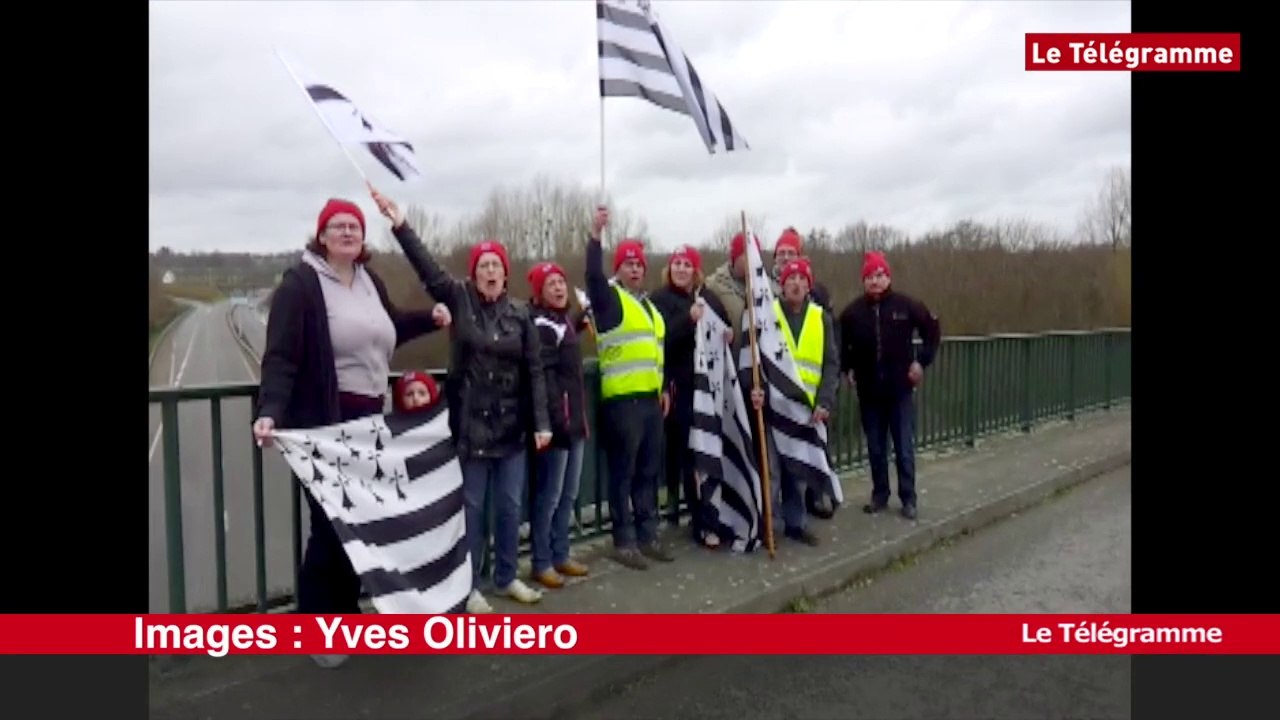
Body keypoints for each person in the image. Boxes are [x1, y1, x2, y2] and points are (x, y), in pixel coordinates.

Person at [252, 197, 451, 668]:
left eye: (354, 226)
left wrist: (431, 318)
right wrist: (270, 411)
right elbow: (280, 356)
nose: (347, 232)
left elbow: (390, 330)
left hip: (369, 425)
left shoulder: (368, 282)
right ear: (321, 236)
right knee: (330, 527)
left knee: (358, 527)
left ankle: (345, 617)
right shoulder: (300, 285)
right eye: (338, 226)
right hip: (324, 422)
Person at [369, 184, 552, 611]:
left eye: (496, 265)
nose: (490, 271)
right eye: (483, 265)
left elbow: (536, 371)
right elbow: (428, 270)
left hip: (510, 429)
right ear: (475, 273)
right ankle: (467, 586)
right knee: (469, 511)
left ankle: (506, 577)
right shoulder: (459, 298)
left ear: (506, 274)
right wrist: (401, 225)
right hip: (470, 428)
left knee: (508, 509)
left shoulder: (521, 314)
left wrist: (542, 422)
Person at [584, 206, 674, 570]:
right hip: (622, 403)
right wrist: (595, 236)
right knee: (623, 474)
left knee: (648, 472)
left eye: (639, 264)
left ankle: (647, 534)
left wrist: (664, 386)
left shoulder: (650, 308)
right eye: (628, 264)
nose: (635, 269)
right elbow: (591, 276)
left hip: (651, 402)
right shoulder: (610, 300)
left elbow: (655, 353)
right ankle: (624, 540)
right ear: (619, 268)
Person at [837, 251, 941, 520]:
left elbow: (932, 330)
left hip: (900, 390)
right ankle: (879, 495)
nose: (875, 281)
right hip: (869, 392)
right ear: (863, 280)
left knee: (904, 448)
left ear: (888, 277)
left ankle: (909, 497)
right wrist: (846, 368)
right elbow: (841, 345)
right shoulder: (852, 313)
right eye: (870, 276)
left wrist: (921, 362)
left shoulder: (906, 306)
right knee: (875, 448)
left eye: (879, 275)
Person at [648, 244, 732, 548]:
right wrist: (689, 320)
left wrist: (726, 334)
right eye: (677, 263)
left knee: (708, 453)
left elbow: (721, 329)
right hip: (680, 389)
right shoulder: (659, 300)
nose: (681, 269)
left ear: (695, 270)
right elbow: (662, 341)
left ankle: (711, 516)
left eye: (687, 264)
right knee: (690, 455)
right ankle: (697, 521)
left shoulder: (706, 298)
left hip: (708, 388)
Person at [748, 258, 835, 546]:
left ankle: (796, 524)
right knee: (772, 470)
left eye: (801, 279)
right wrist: (755, 386)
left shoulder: (820, 317)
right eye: (790, 279)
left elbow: (831, 363)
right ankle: (767, 526)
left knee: (797, 471)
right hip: (774, 406)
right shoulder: (768, 315)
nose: (796, 284)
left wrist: (825, 401)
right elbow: (756, 356)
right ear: (781, 285)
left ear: (809, 285)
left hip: (805, 409)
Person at [525, 261, 592, 589]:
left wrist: (580, 321)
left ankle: (561, 553)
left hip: (575, 421)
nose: (558, 288)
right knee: (549, 497)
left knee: (569, 494)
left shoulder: (562, 321)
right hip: (558, 424)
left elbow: (566, 339)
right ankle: (542, 561)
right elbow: (546, 378)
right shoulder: (540, 325)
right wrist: (557, 419)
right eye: (550, 284)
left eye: (561, 282)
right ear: (539, 291)